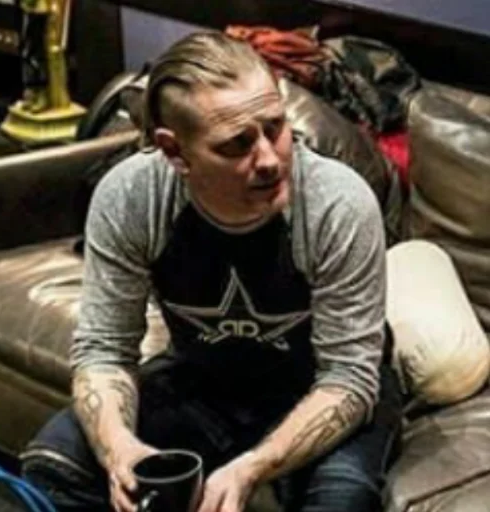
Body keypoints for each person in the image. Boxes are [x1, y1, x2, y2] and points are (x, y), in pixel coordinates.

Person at [21, 30, 402, 512]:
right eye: (236, 146)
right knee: (56, 464)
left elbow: (349, 377)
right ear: (174, 152)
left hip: (321, 384)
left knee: (341, 501)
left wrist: (252, 467)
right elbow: (104, 349)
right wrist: (119, 449)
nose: (269, 159)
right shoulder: (131, 196)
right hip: (203, 378)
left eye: (275, 128)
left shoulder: (337, 203)